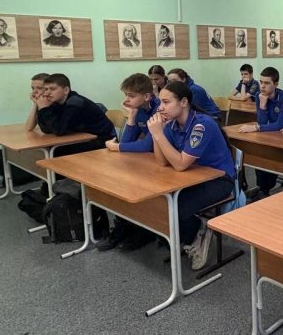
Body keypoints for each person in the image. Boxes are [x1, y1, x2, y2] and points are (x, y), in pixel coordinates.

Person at [147, 81, 235, 270]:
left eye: (166, 102)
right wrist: (157, 134)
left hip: (219, 179)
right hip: (193, 175)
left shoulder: (202, 125)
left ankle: (197, 233)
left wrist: (159, 135)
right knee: (160, 200)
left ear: (184, 102)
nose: (160, 108)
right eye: (160, 102)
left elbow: (179, 164)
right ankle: (189, 231)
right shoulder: (172, 125)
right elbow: (162, 162)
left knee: (178, 206)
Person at [100, 73, 161, 251]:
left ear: (147, 96)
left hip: (161, 161)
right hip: (147, 160)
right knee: (122, 181)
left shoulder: (159, 110)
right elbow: (127, 141)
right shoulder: (139, 110)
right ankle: (126, 224)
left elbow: (147, 145)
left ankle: (143, 230)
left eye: (131, 96)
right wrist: (132, 117)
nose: (126, 100)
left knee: (135, 185)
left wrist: (117, 147)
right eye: (126, 95)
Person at [238, 67, 283, 199]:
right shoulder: (260, 96)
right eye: (261, 82)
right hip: (272, 135)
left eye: (267, 83)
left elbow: (280, 124)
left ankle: (264, 189)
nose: (262, 86)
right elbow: (262, 121)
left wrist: (256, 128)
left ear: (276, 84)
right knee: (259, 151)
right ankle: (263, 189)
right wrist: (262, 106)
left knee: (270, 155)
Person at [35, 73, 115, 155]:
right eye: (46, 89)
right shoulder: (57, 102)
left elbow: (59, 130)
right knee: (53, 150)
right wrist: (41, 107)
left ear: (66, 90)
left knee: (58, 151)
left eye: (52, 89)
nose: (47, 93)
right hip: (85, 137)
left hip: (103, 140)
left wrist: (44, 109)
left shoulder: (75, 102)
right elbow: (46, 129)